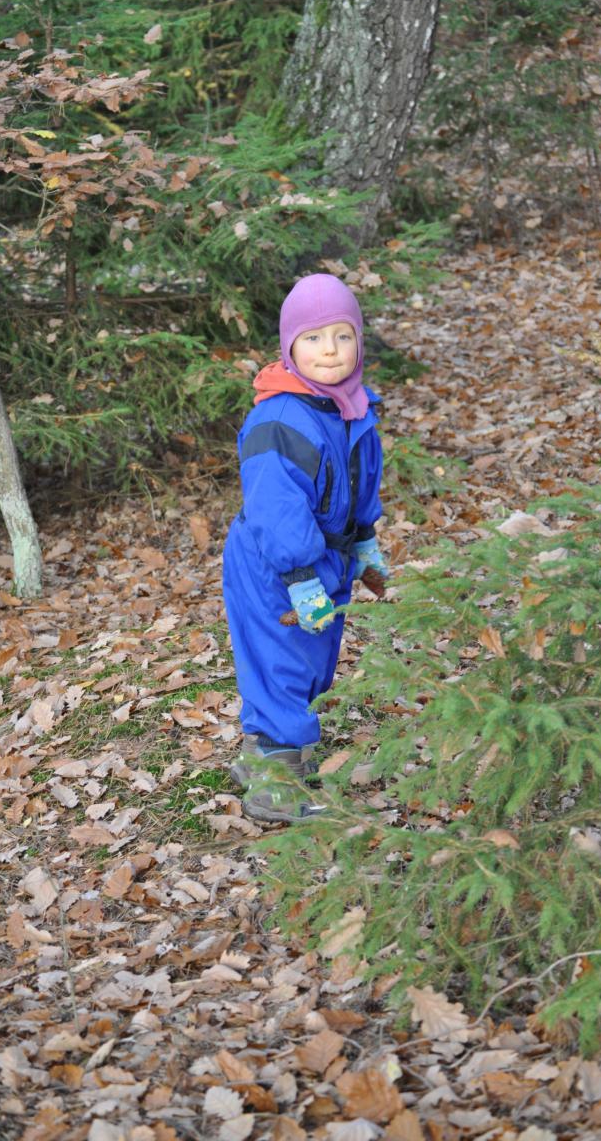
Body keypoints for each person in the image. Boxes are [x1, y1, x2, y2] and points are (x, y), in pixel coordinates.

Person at [222, 272, 388, 823]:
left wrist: (364, 541)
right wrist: (298, 575)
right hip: (276, 562)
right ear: (290, 346)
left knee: (314, 661)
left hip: (327, 558)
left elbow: (360, 479)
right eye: (313, 339)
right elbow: (275, 507)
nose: (330, 351)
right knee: (283, 662)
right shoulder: (280, 419)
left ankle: (261, 759)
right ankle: (274, 785)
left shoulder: (349, 405)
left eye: (342, 336)